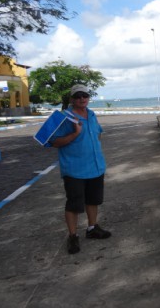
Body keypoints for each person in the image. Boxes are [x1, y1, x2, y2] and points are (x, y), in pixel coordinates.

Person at [50, 84, 111, 254]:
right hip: (74, 169)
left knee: (93, 200)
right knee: (74, 204)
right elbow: (54, 142)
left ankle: (92, 228)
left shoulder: (91, 114)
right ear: (72, 99)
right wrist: (75, 134)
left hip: (96, 166)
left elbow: (98, 133)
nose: (82, 99)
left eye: (84, 95)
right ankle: (73, 236)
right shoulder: (65, 118)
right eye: (77, 96)